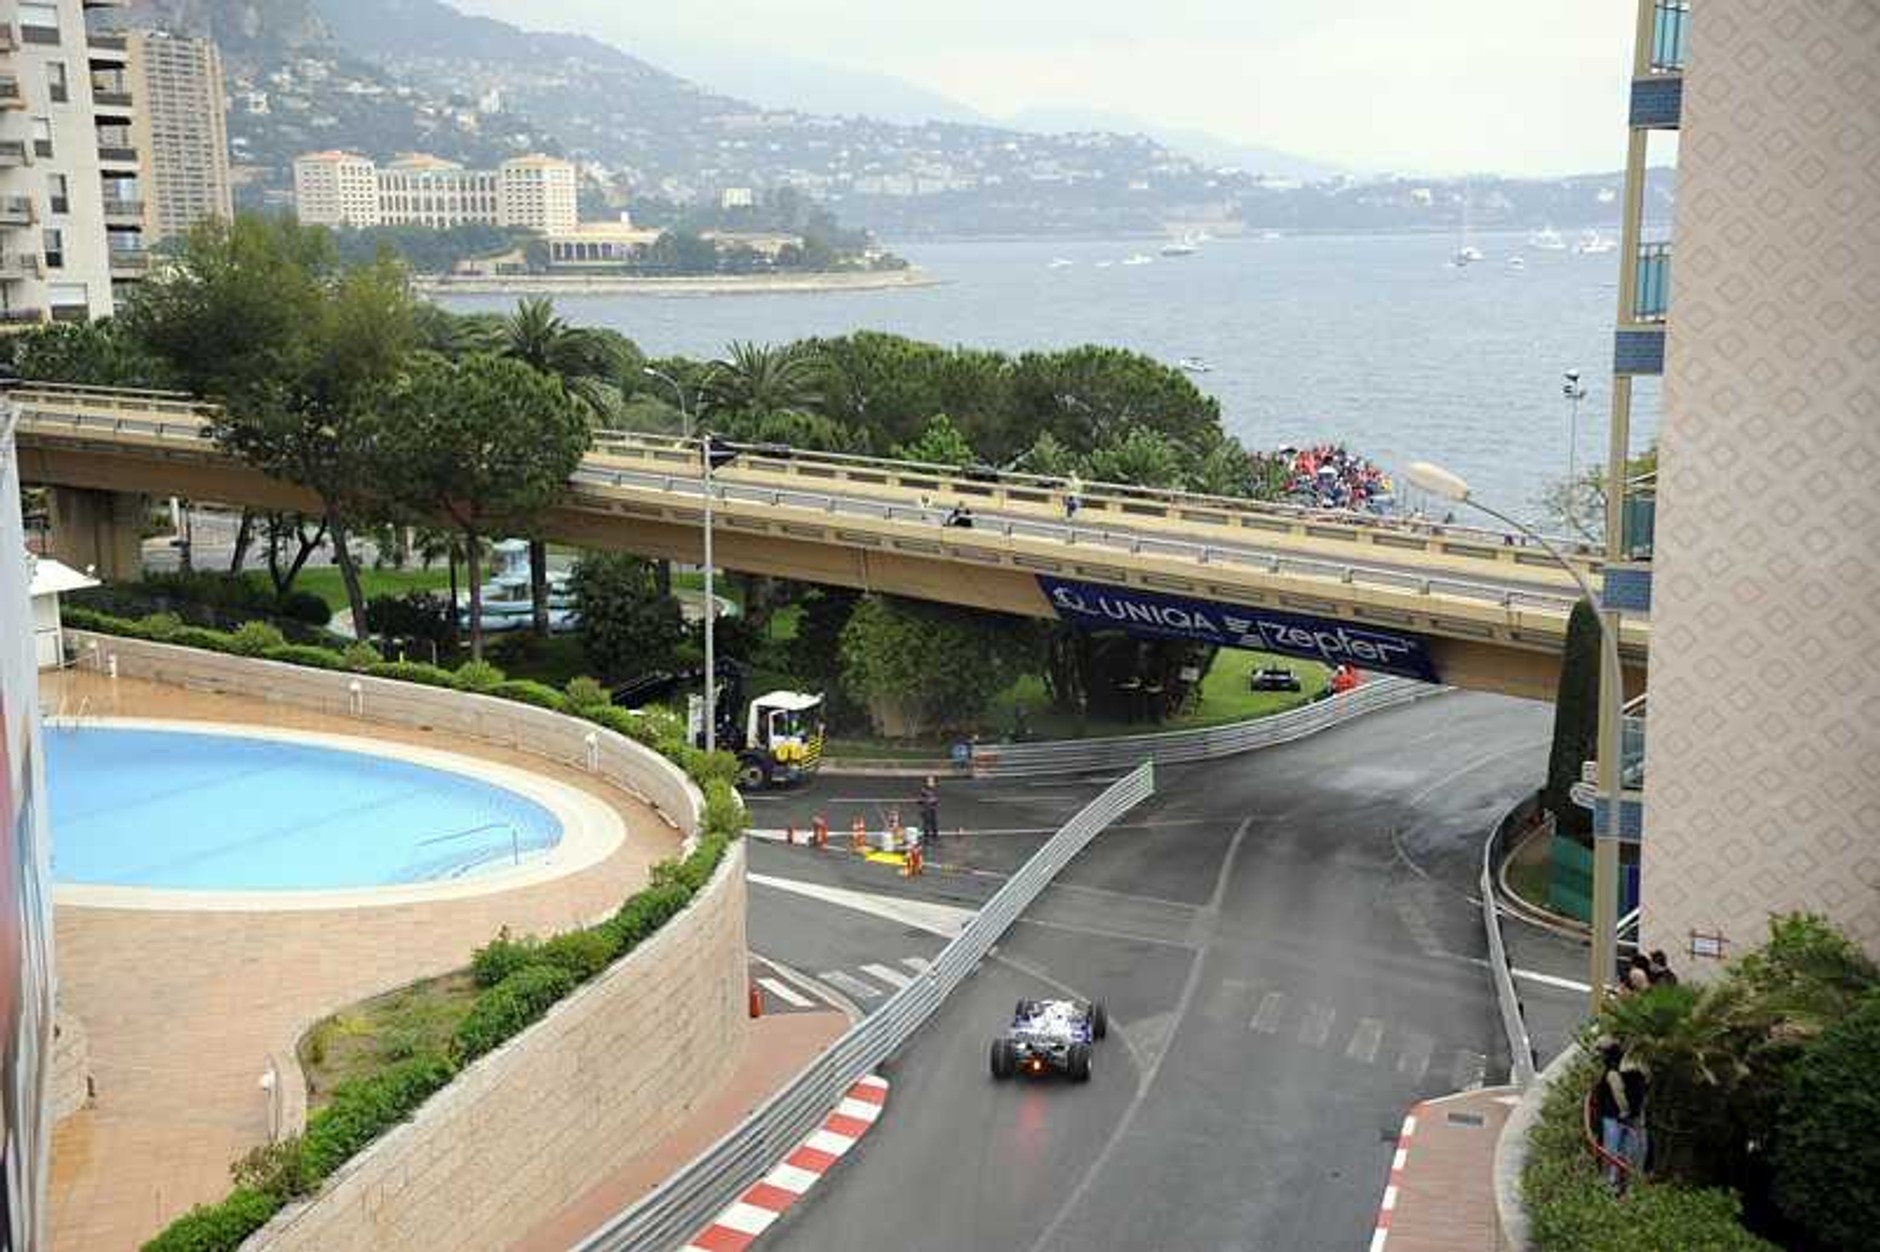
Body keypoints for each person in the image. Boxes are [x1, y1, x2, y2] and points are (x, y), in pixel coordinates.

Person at [1593, 1038, 1633, 1190]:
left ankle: (1612, 1182)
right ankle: (1615, 1180)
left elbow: (1618, 1093)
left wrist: (1624, 1111)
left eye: (1602, 1052)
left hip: (1612, 1117)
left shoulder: (1612, 1072)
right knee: (1617, 1149)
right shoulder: (1620, 1068)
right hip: (1613, 1117)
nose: (1600, 1055)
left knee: (1611, 1150)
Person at [917, 776, 940, 846]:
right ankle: (926, 838)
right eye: (930, 781)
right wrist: (926, 801)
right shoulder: (924, 790)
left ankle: (935, 837)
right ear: (926, 783)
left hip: (933, 809)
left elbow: (936, 799)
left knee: (934, 823)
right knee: (927, 824)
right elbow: (919, 800)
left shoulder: (935, 790)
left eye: (932, 781)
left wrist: (935, 801)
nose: (931, 783)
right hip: (926, 809)